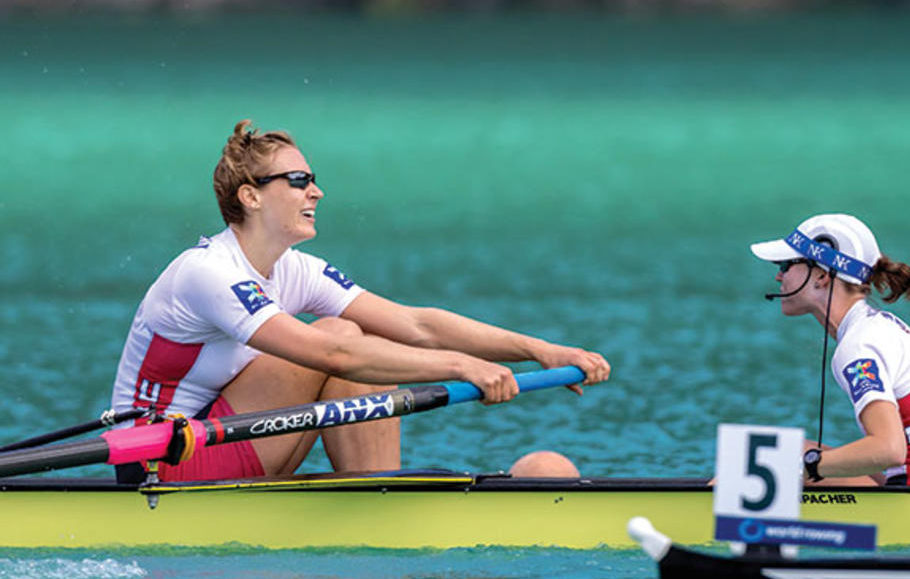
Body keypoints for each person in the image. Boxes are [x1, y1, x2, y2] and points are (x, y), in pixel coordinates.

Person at [110, 120, 610, 483]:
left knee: (356, 333)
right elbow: (334, 356)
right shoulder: (208, 272)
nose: (318, 192)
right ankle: (377, 498)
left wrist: (538, 349)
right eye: (300, 181)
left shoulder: (294, 269)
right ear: (251, 197)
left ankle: (375, 488)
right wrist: (463, 367)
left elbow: (416, 325)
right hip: (159, 460)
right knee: (339, 336)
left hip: (225, 442)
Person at [749, 213, 910, 486]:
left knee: (766, 464)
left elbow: (888, 448)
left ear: (821, 276)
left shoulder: (859, 346)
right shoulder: (873, 327)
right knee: (788, 452)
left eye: (785, 265)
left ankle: (705, 519)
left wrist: (802, 470)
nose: (778, 276)